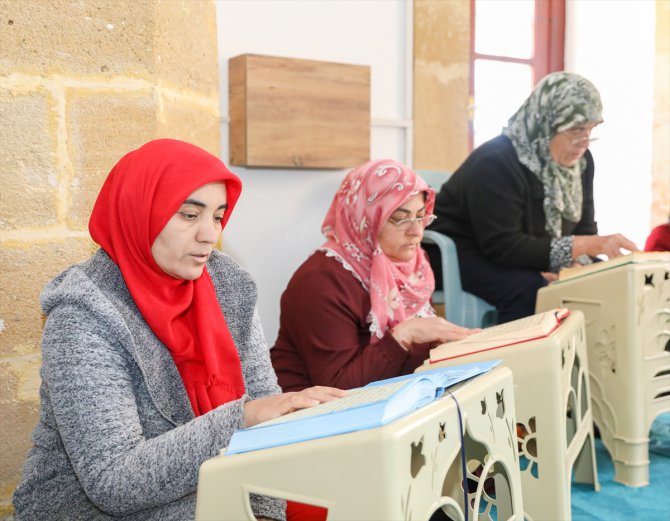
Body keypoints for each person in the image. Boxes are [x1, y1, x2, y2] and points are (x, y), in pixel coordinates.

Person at [12, 139, 345, 521]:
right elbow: (113, 482)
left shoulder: (229, 285)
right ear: (141, 212)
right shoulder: (83, 316)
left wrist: (264, 511)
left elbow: (269, 419)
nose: (209, 235)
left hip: (215, 489)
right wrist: (242, 420)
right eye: (189, 215)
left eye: (218, 216)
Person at [428, 71, 638, 323]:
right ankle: (517, 350)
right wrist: (579, 249)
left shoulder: (581, 163)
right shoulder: (496, 161)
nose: (584, 142)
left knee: (600, 279)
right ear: (547, 123)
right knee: (532, 290)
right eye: (575, 129)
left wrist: (577, 267)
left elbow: (585, 229)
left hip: (523, 250)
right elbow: (503, 246)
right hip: (462, 251)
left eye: (591, 130)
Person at [271, 159, 477, 392]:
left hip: (395, 395)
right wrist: (404, 335)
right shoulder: (321, 280)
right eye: (400, 218)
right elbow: (338, 388)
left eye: (421, 216)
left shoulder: (413, 265)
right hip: (312, 408)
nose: (416, 232)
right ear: (365, 218)